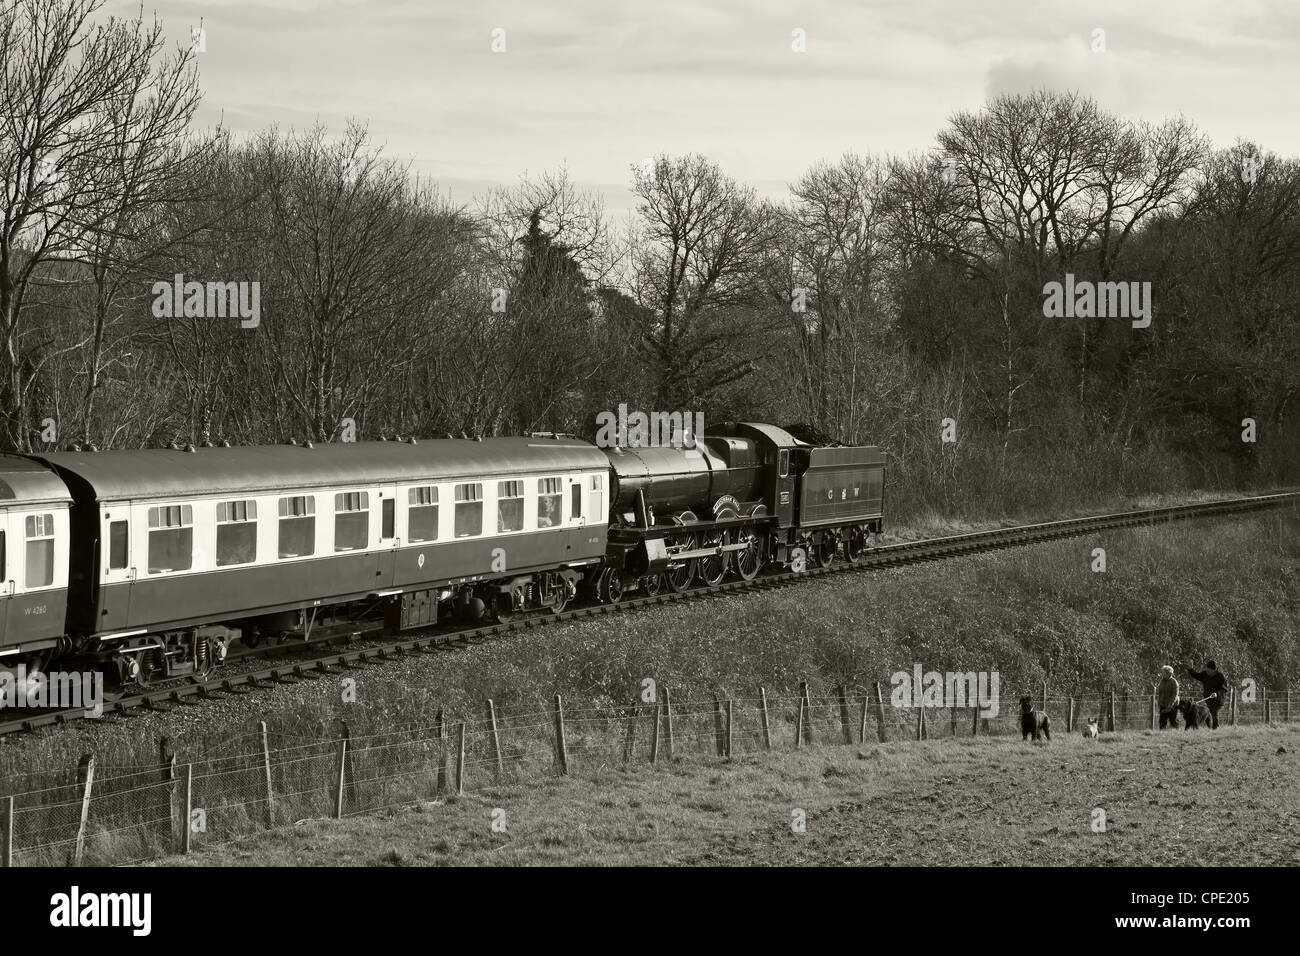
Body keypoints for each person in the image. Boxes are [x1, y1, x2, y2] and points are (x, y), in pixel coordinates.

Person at [1186, 660, 1227, 729]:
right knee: (1209, 713)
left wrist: (1217, 693)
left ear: (1214, 670)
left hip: (1218, 699)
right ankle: (1211, 728)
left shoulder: (1220, 676)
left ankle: (1215, 729)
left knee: (1214, 713)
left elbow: (1224, 689)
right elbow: (1196, 675)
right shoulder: (1205, 674)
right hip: (1208, 699)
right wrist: (1190, 669)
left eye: (1208, 670)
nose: (1207, 671)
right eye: (1206, 669)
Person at [1157, 665, 1179, 729]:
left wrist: (1170, 704)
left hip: (1172, 705)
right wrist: (1159, 702)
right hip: (1163, 704)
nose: (1162, 674)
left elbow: (1175, 694)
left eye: (1163, 673)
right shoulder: (1162, 681)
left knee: (1173, 720)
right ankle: (1161, 734)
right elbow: (1160, 693)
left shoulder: (1174, 682)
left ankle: (1177, 733)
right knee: (1162, 721)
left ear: (1168, 673)